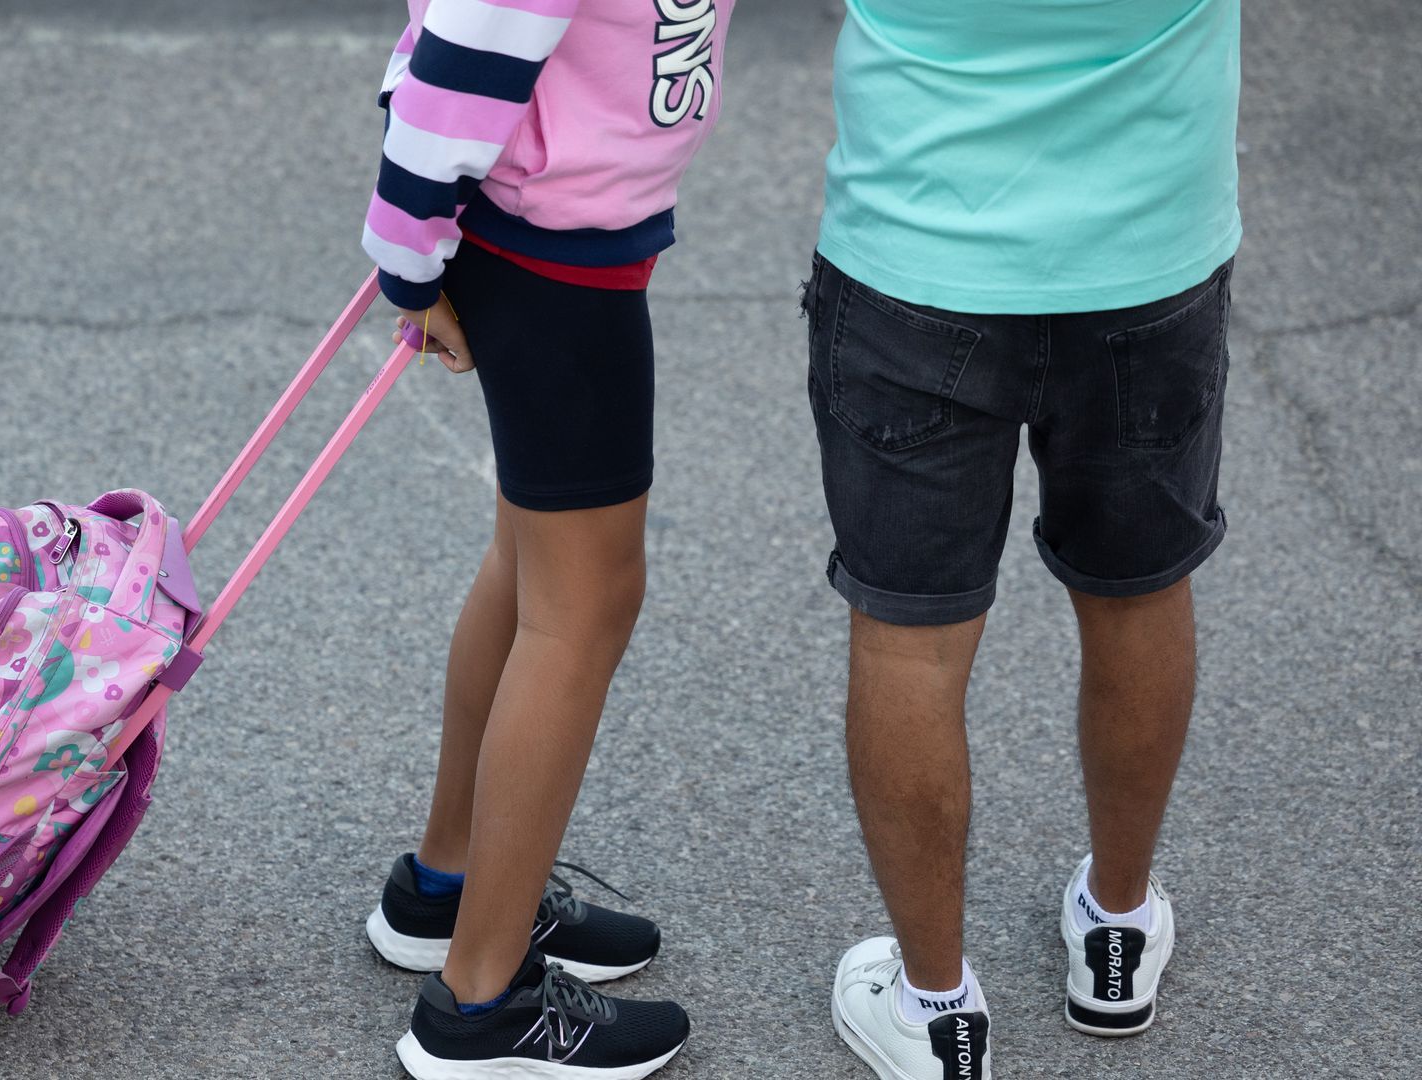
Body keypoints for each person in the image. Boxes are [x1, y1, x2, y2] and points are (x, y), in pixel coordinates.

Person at [801, 2, 1241, 1076]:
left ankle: (935, 1009)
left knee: (911, 637)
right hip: (1149, 248)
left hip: (915, 248)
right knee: (1138, 593)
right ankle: (1117, 930)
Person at [356, 0, 735, 1076]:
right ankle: (482, 1000)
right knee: (584, 607)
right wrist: (410, 264)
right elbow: (460, 44)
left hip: (569, 231)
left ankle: (451, 885)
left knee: (534, 570)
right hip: (548, 250)